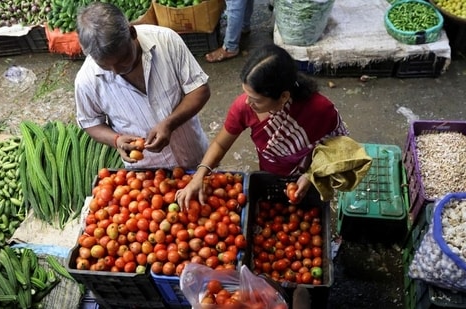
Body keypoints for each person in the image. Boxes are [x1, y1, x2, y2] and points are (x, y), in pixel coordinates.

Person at [176, 43, 349, 208]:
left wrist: (312, 175)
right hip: (271, 171)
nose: (248, 102)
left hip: (310, 169)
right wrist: (199, 175)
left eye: (256, 100)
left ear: (283, 97)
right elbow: (220, 144)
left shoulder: (320, 110)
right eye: (246, 94)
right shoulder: (243, 107)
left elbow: (339, 150)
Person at [74, 2, 210, 170]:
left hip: (194, 156)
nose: (116, 71)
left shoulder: (166, 41)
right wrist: (116, 140)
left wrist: (169, 123)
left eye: (123, 60)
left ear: (132, 32)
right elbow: (90, 122)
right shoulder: (87, 80)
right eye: (106, 66)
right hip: (145, 171)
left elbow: (200, 90)